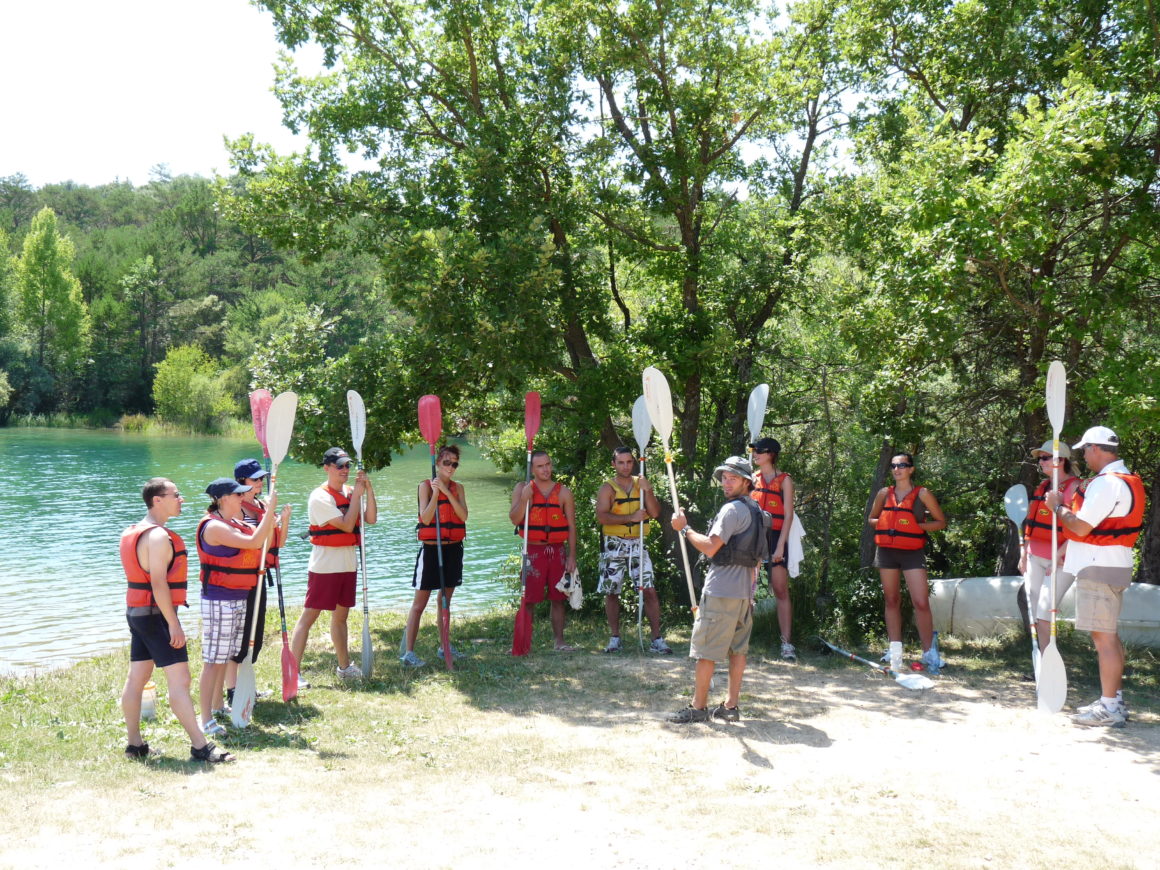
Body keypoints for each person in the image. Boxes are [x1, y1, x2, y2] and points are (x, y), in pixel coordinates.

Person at [120, 478, 234, 763]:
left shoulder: (134, 531)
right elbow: (158, 583)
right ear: (157, 500)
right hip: (156, 615)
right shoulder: (158, 537)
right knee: (180, 680)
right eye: (176, 495)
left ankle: (135, 744)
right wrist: (173, 623)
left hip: (137, 613)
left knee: (137, 678)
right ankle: (200, 746)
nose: (181, 499)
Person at [1046, 426, 1145, 727]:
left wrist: (1057, 507)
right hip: (1111, 565)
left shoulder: (1107, 484)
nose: (1085, 455)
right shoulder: (1125, 479)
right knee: (1108, 637)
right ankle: (1112, 700)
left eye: (1086, 449)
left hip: (1098, 567)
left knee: (1103, 640)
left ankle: (1109, 708)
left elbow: (1080, 527)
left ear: (1099, 449)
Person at [667, 456, 768, 723]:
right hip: (745, 594)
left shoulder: (732, 510)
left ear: (746, 482)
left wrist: (684, 528)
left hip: (722, 591)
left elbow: (711, 546)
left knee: (705, 652)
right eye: (724, 476)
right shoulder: (756, 510)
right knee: (738, 651)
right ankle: (730, 707)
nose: (726, 481)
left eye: (732, 477)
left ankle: (698, 708)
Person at [196, 477, 279, 736]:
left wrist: (271, 518)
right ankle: (205, 718)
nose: (243, 497)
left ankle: (219, 706)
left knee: (226, 656)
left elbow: (262, 541)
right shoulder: (214, 527)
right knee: (214, 660)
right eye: (237, 494)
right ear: (222, 499)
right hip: (220, 599)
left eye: (243, 494)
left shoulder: (234, 522)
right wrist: (270, 509)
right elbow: (254, 542)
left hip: (237, 596)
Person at [290, 447, 378, 683]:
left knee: (341, 617)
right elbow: (347, 526)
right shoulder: (320, 497)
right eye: (339, 466)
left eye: (347, 465)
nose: (345, 470)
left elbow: (370, 519)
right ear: (327, 467)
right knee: (309, 617)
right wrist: (357, 495)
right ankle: (293, 671)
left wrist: (368, 490)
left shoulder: (351, 492)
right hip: (325, 566)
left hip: (348, 563)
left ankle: (344, 666)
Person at [868, 452, 947, 673]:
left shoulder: (922, 493)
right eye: (894, 466)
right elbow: (871, 519)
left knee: (921, 602)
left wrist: (914, 526)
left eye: (902, 465)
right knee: (891, 600)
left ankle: (929, 652)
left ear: (911, 469)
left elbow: (941, 522)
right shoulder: (884, 493)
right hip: (886, 552)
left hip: (912, 552)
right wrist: (885, 522)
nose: (897, 469)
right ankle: (895, 652)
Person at [223, 458, 291, 709]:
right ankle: (232, 691)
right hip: (241, 581)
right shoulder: (236, 509)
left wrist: (284, 519)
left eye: (261, 478)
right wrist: (268, 520)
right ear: (241, 482)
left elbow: (277, 544)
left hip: (260, 578)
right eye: (255, 479)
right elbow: (248, 542)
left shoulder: (263, 506)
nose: (260, 482)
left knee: (255, 636)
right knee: (238, 637)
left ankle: (245, 684)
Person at [595, 446, 671, 654]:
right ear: (614, 464)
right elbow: (602, 517)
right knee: (612, 591)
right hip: (614, 544)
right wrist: (630, 518)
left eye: (629, 462)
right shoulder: (607, 488)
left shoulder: (642, 485)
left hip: (638, 543)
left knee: (649, 590)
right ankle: (615, 638)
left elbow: (655, 513)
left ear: (633, 463)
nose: (625, 466)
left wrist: (648, 490)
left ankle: (657, 639)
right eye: (621, 462)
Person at [401, 444, 468, 667]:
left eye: (454, 463)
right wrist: (436, 492)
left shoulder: (459, 488)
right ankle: (409, 653)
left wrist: (447, 492)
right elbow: (426, 518)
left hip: (453, 549)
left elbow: (463, 515)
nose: (451, 467)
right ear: (438, 463)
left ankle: (444, 647)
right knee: (419, 603)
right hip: (431, 549)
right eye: (446, 462)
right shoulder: (425, 487)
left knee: (445, 601)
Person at [509, 450, 577, 654]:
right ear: (532, 469)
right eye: (540, 466)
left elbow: (572, 526)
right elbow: (514, 519)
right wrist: (524, 499)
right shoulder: (522, 488)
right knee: (528, 598)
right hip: (533, 551)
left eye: (547, 464)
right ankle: (523, 642)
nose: (545, 469)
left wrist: (572, 556)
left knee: (558, 597)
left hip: (557, 551)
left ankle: (559, 641)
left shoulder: (563, 492)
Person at [1018, 441, 1080, 652]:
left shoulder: (1075, 488)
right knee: (1035, 615)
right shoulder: (1042, 487)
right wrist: (1024, 553)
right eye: (1040, 458)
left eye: (1045, 458)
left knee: (1045, 615)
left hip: (1061, 561)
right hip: (1034, 557)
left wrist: (1058, 556)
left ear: (1060, 460)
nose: (1040, 462)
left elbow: (1080, 528)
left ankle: (1050, 668)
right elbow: (1031, 522)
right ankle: (1042, 667)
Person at [749, 436, 798, 661]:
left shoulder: (785, 480)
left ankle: (786, 644)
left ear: (771, 454)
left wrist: (780, 546)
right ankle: (742, 640)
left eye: (759, 450)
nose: (755, 453)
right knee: (747, 590)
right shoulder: (751, 478)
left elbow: (788, 515)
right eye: (754, 450)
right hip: (754, 536)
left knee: (780, 589)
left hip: (777, 536)